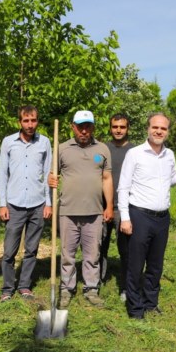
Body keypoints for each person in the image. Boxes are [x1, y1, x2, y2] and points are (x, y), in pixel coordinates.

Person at [118, 113, 176, 319]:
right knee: (136, 264)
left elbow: (169, 180)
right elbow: (123, 187)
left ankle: (150, 303)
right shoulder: (135, 154)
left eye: (163, 128)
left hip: (162, 218)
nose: (159, 131)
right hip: (139, 215)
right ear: (148, 128)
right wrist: (125, 217)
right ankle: (135, 309)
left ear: (167, 131)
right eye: (155, 127)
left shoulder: (169, 154)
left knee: (155, 264)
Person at [48, 110, 113, 308]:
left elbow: (107, 178)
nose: (83, 130)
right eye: (80, 126)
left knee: (92, 253)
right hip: (67, 211)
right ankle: (67, 289)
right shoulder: (62, 148)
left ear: (93, 127)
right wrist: (51, 179)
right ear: (72, 127)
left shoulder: (102, 149)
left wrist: (109, 205)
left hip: (94, 211)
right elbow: (53, 175)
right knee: (67, 254)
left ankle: (91, 289)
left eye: (87, 126)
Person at [0, 105, 52, 302]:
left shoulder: (44, 142)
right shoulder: (8, 142)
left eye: (33, 120)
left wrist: (49, 203)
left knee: (32, 249)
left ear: (37, 121)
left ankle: (25, 286)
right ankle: (7, 288)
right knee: (9, 250)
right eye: (26, 121)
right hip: (14, 204)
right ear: (19, 122)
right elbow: (2, 174)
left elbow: (48, 174)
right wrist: (2, 204)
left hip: (37, 203)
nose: (30, 124)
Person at [100, 113, 133, 301]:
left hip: (125, 208)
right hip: (102, 206)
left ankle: (126, 287)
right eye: (115, 127)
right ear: (110, 128)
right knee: (99, 245)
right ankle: (97, 281)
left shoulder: (134, 151)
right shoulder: (102, 150)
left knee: (126, 249)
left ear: (127, 128)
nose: (118, 130)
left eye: (122, 127)